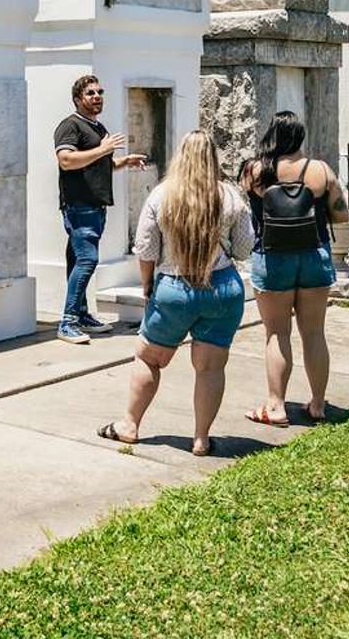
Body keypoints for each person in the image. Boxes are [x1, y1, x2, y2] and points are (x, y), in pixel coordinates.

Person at [99, 131, 253, 457]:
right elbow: (243, 249)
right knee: (210, 367)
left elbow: (145, 248)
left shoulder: (162, 195)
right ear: (213, 157)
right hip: (222, 288)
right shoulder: (230, 196)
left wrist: (146, 284)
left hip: (174, 288)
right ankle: (201, 439)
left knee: (148, 358)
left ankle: (129, 425)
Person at [241, 112, 345, 426]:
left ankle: (275, 406)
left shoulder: (255, 170)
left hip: (272, 257)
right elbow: (341, 215)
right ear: (300, 137)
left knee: (277, 332)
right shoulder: (320, 170)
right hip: (314, 254)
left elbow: (246, 207)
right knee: (314, 333)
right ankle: (318, 404)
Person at [54, 75, 148, 345]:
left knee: (77, 260)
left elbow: (98, 164)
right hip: (80, 205)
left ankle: (82, 315)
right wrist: (103, 148)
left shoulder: (97, 128)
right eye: (90, 93)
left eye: (99, 92)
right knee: (87, 260)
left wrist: (123, 161)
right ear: (77, 99)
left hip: (96, 205)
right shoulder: (70, 125)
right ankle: (68, 322)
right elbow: (66, 160)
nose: (97, 97)